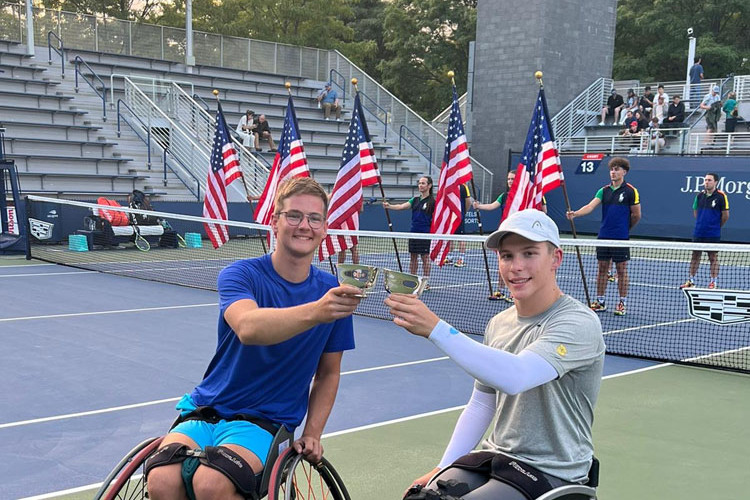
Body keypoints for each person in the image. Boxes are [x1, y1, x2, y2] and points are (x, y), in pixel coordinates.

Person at [145, 177, 361, 500]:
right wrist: (319, 310)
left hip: (267, 421)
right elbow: (248, 327)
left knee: (210, 484)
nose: (304, 225)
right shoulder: (240, 274)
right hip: (207, 408)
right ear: (275, 222)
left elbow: (329, 372)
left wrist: (313, 433)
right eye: (294, 215)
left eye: (314, 218)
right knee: (161, 480)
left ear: (325, 228)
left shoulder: (331, 293)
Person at [387, 209, 605, 499]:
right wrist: (442, 467)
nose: (516, 266)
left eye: (529, 253)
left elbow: (517, 376)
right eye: (506, 256)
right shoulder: (498, 323)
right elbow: (481, 404)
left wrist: (435, 328)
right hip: (496, 458)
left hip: (554, 471)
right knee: (419, 497)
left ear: (556, 259)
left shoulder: (578, 323)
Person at [567, 157, 641, 316]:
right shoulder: (604, 190)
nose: (613, 172)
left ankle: (622, 303)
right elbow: (590, 206)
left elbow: (636, 215)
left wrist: (624, 229)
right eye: (612, 169)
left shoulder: (630, 191)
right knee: (602, 269)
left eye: (617, 169)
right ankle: (600, 301)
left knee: (621, 270)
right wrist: (576, 214)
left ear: (624, 172)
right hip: (603, 236)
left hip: (620, 238)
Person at [474, 171, 547, 302]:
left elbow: (544, 210)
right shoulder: (504, 196)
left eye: (513, 179)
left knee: (521, 265)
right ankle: (501, 291)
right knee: (503, 264)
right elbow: (492, 206)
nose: (510, 181)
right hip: (505, 234)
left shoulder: (530, 194)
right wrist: (479, 206)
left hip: (522, 235)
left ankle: (518, 292)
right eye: (508, 179)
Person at [680, 173, 729, 290]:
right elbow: (695, 212)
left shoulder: (721, 196)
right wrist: (701, 223)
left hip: (713, 233)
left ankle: (713, 282)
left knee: (713, 257)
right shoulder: (699, 196)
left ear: (716, 182)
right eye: (705, 180)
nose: (707, 182)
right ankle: (691, 281)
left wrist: (715, 226)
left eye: (709, 180)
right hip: (699, 232)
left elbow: (725, 216)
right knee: (695, 256)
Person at [383, 176, 434, 286]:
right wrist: (389, 206)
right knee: (413, 257)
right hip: (413, 232)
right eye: (419, 183)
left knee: (425, 257)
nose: (420, 185)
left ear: (429, 185)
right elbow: (401, 206)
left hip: (426, 233)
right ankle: (413, 279)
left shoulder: (433, 201)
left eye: (423, 183)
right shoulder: (415, 200)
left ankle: (425, 281)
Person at [443, 182, 472, 268]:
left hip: (459, 216)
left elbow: (468, 201)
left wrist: (463, 212)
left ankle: (461, 259)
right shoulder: (449, 186)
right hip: (450, 216)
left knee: (461, 238)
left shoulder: (464, 187)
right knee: (450, 237)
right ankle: (450, 257)